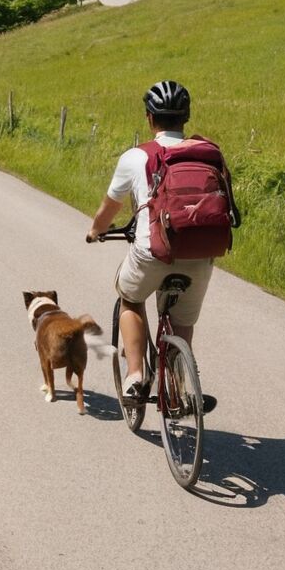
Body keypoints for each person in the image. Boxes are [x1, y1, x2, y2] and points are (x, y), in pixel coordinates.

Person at [86, 80, 219, 412]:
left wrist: (95, 231)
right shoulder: (210, 153)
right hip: (201, 253)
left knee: (130, 299)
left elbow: (109, 210)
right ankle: (178, 388)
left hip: (152, 252)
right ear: (186, 117)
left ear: (150, 118)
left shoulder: (137, 157)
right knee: (182, 321)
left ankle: (134, 376)